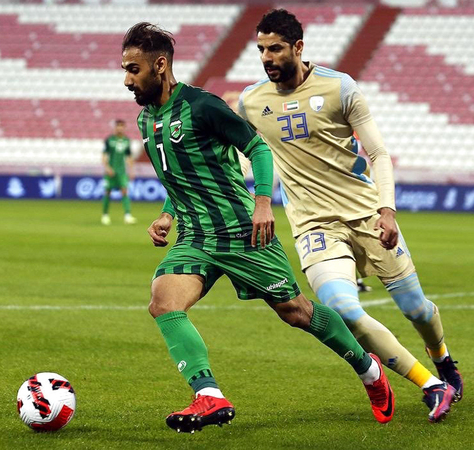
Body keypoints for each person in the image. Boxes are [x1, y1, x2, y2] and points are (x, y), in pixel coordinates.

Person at [121, 22, 396, 433]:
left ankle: (368, 369)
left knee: (296, 312)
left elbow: (257, 147)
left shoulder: (202, 106)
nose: (127, 80)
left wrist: (263, 203)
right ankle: (209, 395)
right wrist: (168, 214)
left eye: (133, 69)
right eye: (125, 70)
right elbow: (182, 177)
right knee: (163, 302)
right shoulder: (147, 119)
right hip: (196, 237)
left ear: (160, 65)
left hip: (242, 232)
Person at [238, 9, 463, 423]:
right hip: (314, 226)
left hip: (367, 216)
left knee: (417, 310)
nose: (267, 57)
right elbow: (243, 157)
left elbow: (378, 152)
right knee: (343, 309)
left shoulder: (339, 87)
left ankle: (442, 358)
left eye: (276, 48)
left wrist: (387, 210)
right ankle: (431, 384)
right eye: (261, 49)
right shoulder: (251, 102)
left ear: (298, 47)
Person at [101, 119, 137, 225]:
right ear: (115, 127)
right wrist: (107, 168)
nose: (120, 128)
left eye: (122, 126)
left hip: (122, 171)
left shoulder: (127, 141)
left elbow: (129, 157)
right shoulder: (109, 140)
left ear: (124, 128)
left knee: (124, 191)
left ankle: (127, 216)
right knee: (108, 191)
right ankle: (105, 215)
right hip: (111, 171)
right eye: (118, 126)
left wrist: (131, 170)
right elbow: (104, 155)